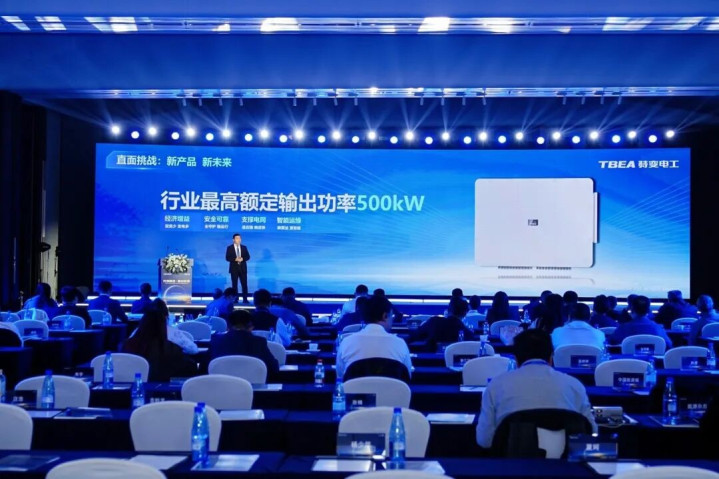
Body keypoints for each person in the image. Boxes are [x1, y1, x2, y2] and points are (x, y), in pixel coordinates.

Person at [475, 329, 597, 449]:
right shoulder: (574, 385)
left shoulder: (496, 385)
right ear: (551, 357)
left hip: (512, 460)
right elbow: (592, 432)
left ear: (516, 359)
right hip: (565, 460)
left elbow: (484, 440)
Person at [336, 295, 413, 379]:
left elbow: (341, 375)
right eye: (391, 316)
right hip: (391, 388)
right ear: (385, 316)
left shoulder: (347, 342)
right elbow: (407, 376)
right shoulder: (400, 344)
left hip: (355, 387)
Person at [122, 310, 198, 382]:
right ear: (164, 327)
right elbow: (192, 358)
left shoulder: (127, 345)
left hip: (132, 387)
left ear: (142, 324)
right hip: (164, 389)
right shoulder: (172, 348)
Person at [210, 309, 279, 378]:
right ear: (250, 326)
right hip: (252, 383)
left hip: (221, 383)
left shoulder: (216, 340)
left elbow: (206, 365)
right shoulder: (259, 342)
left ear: (227, 327)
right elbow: (273, 368)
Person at [608, 296, 673, 348]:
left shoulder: (623, 328)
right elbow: (669, 345)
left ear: (631, 309)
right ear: (648, 310)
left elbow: (611, 342)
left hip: (628, 360)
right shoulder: (657, 328)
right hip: (653, 360)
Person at [225, 233, 251, 303]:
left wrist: (242, 259)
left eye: (239, 238)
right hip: (234, 269)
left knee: (244, 284)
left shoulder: (244, 247)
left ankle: (245, 299)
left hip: (243, 269)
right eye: (237, 238)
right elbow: (227, 258)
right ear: (233, 239)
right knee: (234, 285)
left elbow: (248, 257)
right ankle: (235, 299)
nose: (239, 240)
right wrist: (235, 259)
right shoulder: (229, 248)